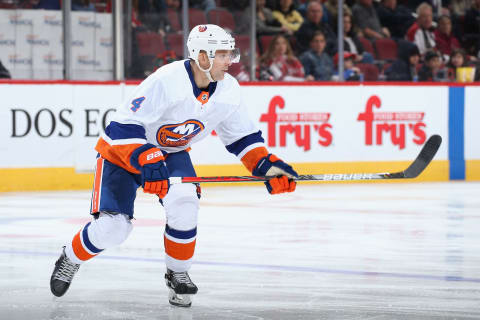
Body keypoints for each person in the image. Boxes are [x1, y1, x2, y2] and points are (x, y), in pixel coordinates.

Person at [49, 24, 298, 308]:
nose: (231, 61)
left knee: (185, 201)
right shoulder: (166, 80)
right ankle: (70, 257)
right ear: (202, 57)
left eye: (231, 53)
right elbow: (121, 128)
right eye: (223, 54)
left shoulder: (229, 90)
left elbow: (242, 138)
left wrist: (266, 166)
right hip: (122, 154)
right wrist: (145, 158)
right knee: (113, 229)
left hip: (170, 152)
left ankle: (178, 272)